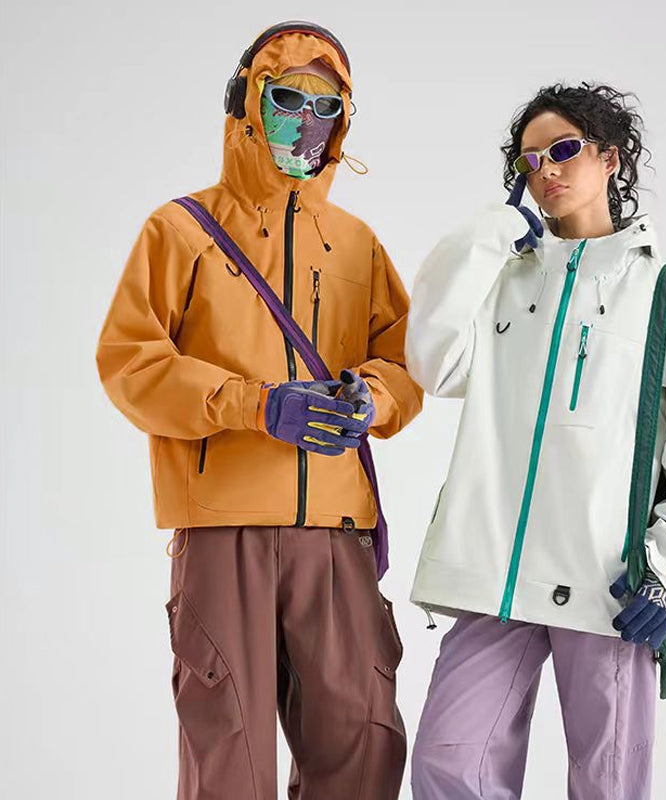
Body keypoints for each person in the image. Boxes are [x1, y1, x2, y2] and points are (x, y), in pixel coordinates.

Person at [96, 20, 422, 800]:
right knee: (229, 759)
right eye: (286, 99)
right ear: (246, 103)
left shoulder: (358, 243)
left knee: (362, 744)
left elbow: (408, 359)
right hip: (223, 530)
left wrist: (371, 397)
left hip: (335, 533)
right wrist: (253, 405)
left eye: (327, 106)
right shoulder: (179, 230)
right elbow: (130, 362)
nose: (307, 121)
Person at [405, 82, 666, 799]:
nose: (547, 171)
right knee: (445, 763)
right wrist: (490, 233)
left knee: (608, 783)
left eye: (563, 150)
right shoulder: (501, 282)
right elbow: (433, 363)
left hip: (606, 586)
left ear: (610, 158)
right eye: (529, 161)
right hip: (492, 576)